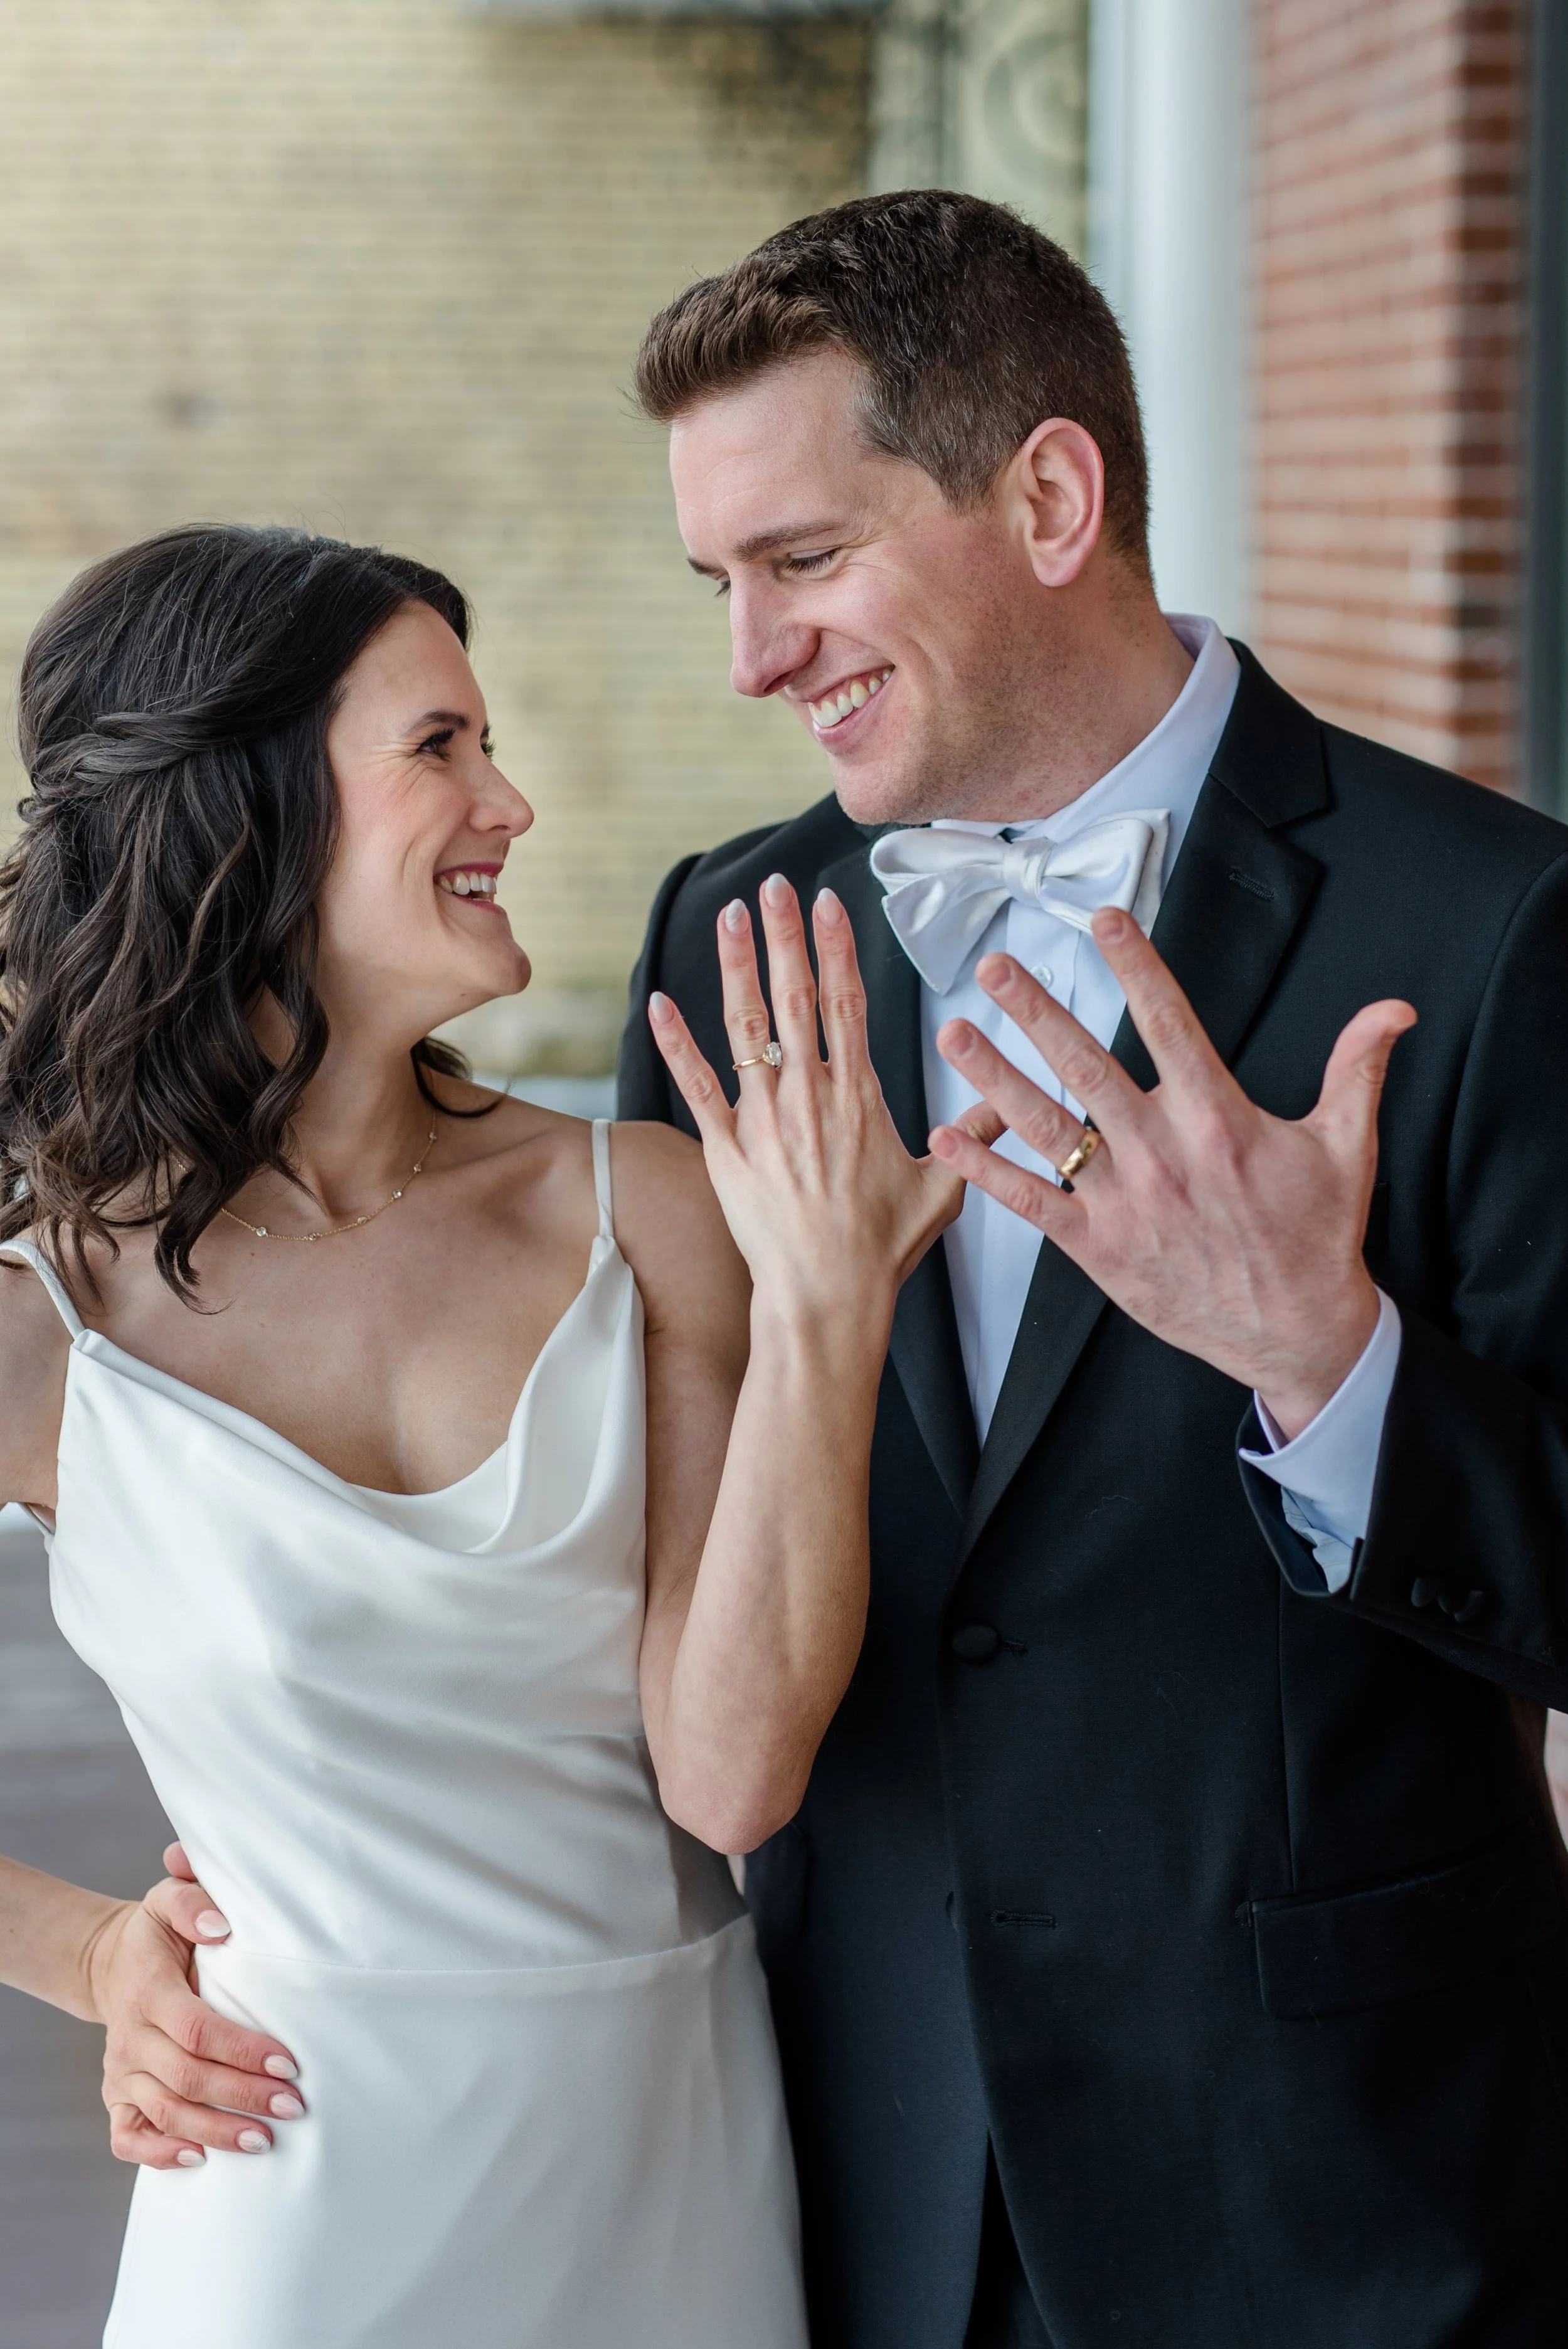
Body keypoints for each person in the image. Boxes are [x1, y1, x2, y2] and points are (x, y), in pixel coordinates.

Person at [610, 193, 1568, 2345]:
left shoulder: (1490, 935)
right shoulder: (730, 937)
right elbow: (650, 1553)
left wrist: (1327, 1362)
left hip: (1329, 2190)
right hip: (842, 2164)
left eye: (802, 561)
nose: (751, 658)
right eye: (721, 583)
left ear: (1047, 494)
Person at [0, 522, 975, 2347]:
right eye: (440, 747)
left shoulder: (644, 1209)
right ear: (250, 805)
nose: (508, 801)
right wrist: (88, 1953)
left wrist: (830, 1314)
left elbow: (734, 1776)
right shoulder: (48, 1319)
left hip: (663, 2180)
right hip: (292, 2196)